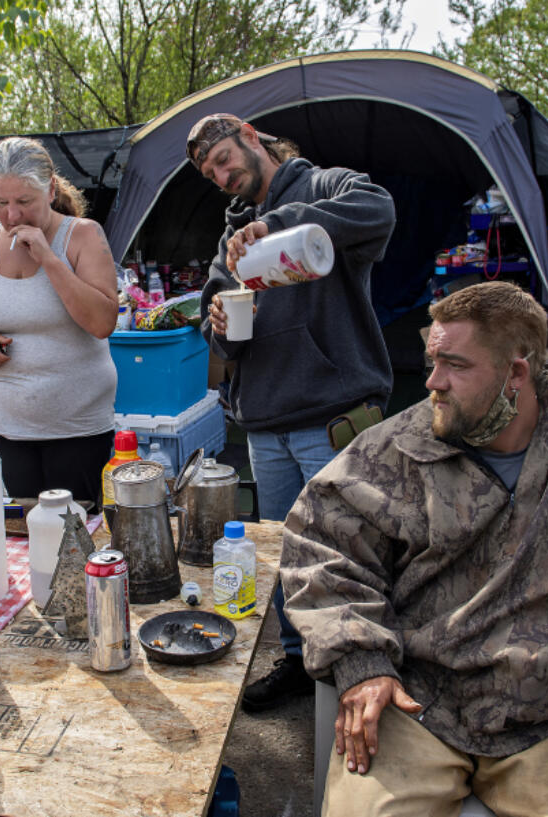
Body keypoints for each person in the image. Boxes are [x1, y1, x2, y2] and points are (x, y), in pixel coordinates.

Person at [280, 281, 548, 817]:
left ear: (518, 371)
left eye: (456, 366)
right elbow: (321, 551)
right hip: (419, 702)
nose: (433, 383)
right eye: (432, 361)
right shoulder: (391, 451)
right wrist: (363, 660)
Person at [189, 113, 396, 711]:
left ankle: (369, 671)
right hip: (267, 419)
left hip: (333, 413)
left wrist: (276, 224)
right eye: (210, 174)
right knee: (287, 557)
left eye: (224, 159)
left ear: (251, 137)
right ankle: (298, 662)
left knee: (350, 552)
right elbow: (217, 326)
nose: (222, 176)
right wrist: (222, 328)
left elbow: (378, 209)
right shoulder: (229, 240)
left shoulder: (325, 187)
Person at [0, 137, 119, 502]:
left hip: (78, 425)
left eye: (24, 202)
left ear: (50, 189)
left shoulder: (84, 235)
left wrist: (49, 259)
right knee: (25, 534)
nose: (12, 216)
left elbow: (103, 323)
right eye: (1, 202)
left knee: (76, 535)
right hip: (10, 424)